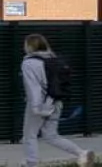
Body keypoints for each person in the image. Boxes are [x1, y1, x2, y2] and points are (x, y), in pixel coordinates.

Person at [18, 35, 91, 167]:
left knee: (29, 136)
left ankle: (31, 163)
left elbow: (33, 86)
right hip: (56, 102)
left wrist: (36, 107)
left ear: (29, 46)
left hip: (38, 104)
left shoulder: (29, 63)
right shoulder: (54, 59)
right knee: (51, 135)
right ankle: (81, 153)